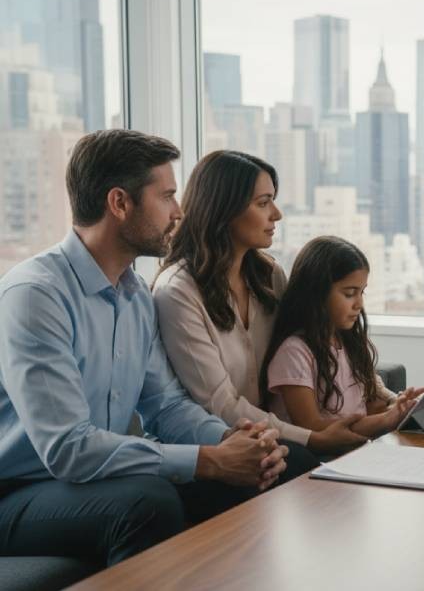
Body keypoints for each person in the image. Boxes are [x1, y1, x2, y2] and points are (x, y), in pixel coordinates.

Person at [0, 130, 289, 568]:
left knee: (252, 476)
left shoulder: (135, 296)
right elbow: (68, 449)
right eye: (168, 196)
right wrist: (208, 460)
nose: (179, 211)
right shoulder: (37, 295)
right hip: (19, 489)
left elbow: (166, 406)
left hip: (85, 479)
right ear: (120, 203)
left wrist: (233, 441)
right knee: (148, 502)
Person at [152, 151, 361, 462]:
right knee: (305, 463)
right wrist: (313, 438)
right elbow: (221, 405)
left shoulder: (269, 275)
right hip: (222, 444)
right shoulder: (178, 292)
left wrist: (386, 397)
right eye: (263, 203)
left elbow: (318, 341)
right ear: (224, 210)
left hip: (281, 431)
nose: (276, 214)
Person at [260, 236, 424, 454]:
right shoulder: (294, 353)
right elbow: (311, 429)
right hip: (319, 461)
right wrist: (388, 418)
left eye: (362, 292)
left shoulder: (348, 343)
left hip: (356, 453)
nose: (359, 304)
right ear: (316, 293)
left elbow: (371, 407)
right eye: (349, 293)